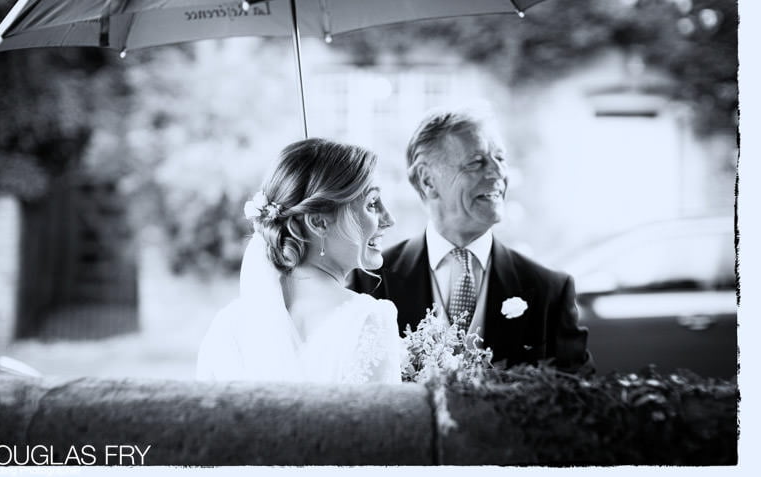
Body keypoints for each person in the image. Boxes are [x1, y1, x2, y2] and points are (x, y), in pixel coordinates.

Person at [350, 107, 593, 374]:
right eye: (477, 162)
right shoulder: (369, 283)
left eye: (500, 158)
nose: (498, 172)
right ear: (427, 179)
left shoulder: (550, 291)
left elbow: (579, 400)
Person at [197, 138, 401, 384]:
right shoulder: (369, 320)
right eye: (372, 204)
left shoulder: (228, 325)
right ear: (319, 222)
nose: (389, 219)